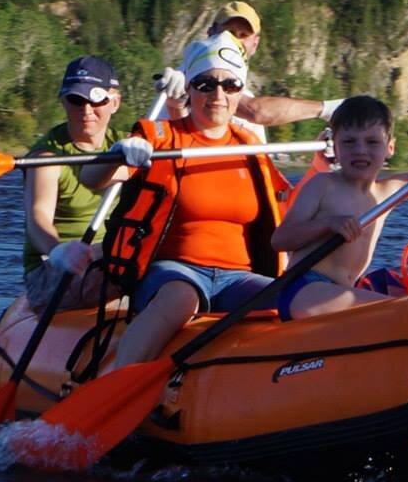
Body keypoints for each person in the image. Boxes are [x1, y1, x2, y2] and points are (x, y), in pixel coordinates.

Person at [82, 33, 291, 367]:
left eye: (230, 85)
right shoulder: (159, 138)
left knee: (289, 295)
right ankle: (116, 380)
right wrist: (116, 156)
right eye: (206, 84)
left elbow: (292, 205)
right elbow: (91, 180)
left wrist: (327, 166)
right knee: (181, 297)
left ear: (240, 91)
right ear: (190, 89)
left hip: (237, 277)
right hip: (174, 271)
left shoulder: (251, 146)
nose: (218, 95)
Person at [270, 96, 408, 319]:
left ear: (390, 147)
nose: (360, 150)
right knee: (407, 311)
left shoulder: (387, 191)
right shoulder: (323, 184)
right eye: (349, 142)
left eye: (372, 142)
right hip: (305, 289)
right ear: (336, 147)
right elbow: (281, 240)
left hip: (347, 289)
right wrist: (328, 224)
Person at [21, 55, 124, 309]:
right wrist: (57, 251)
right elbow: (38, 217)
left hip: (108, 256)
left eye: (96, 99)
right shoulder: (47, 156)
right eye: (76, 100)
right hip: (53, 268)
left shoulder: (126, 143)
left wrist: (177, 105)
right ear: (64, 102)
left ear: (115, 102)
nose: (86, 109)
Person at [156, 0, 343, 127]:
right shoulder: (187, 77)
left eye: (242, 35)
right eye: (227, 31)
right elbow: (255, 111)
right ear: (211, 33)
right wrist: (327, 109)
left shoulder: (244, 96)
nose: (231, 41)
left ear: (255, 43)